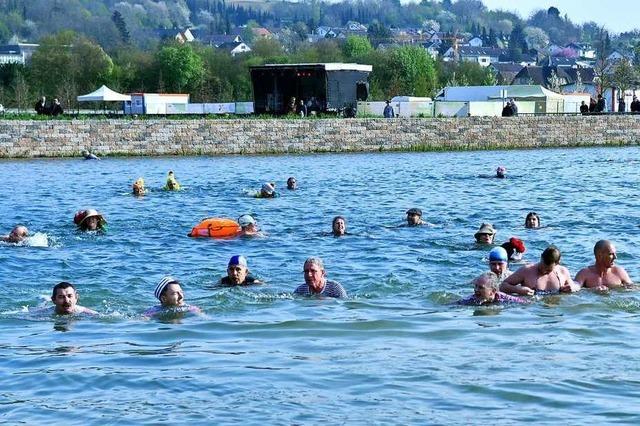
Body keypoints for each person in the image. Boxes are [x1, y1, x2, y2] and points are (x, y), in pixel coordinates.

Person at [500, 246, 580, 296]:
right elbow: (503, 286)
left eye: (548, 270)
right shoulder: (526, 270)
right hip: (534, 313)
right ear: (541, 257)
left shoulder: (563, 272)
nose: (544, 271)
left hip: (555, 310)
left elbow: (577, 286)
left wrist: (573, 288)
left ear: (557, 263)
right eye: (542, 266)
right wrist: (518, 290)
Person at [457, 272, 529, 306]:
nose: (476, 290)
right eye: (476, 286)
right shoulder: (471, 299)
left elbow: (526, 303)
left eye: (480, 287)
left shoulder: (504, 298)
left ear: (493, 291)